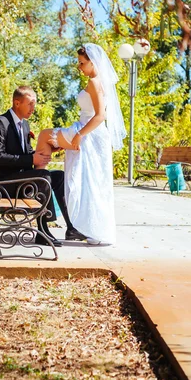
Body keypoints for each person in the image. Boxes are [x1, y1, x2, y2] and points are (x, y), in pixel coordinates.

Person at [35, 43, 126, 245]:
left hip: (88, 133)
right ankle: (81, 228)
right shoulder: (99, 81)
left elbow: (100, 115)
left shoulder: (95, 82)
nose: (79, 67)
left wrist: (78, 136)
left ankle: (36, 194)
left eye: (82, 63)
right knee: (91, 183)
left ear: (94, 62)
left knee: (43, 136)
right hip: (88, 133)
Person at [0, 86, 86, 247]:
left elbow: (27, 152)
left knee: (58, 176)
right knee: (42, 177)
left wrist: (49, 149)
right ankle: (43, 231)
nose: (33, 108)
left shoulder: (24, 125)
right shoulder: (1, 123)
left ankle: (71, 227)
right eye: (30, 103)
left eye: (34, 104)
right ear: (17, 103)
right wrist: (31, 158)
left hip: (16, 180)